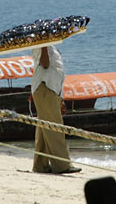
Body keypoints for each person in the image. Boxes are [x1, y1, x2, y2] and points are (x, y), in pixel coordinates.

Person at [31, 45, 81, 174]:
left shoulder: (50, 47)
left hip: (50, 89)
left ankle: (40, 165)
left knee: (44, 127)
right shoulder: (41, 46)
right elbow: (45, 64)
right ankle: (62, 165)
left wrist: (60, 97)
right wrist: (43, 46)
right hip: (46, 88)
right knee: (55, 127)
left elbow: (54, 71)